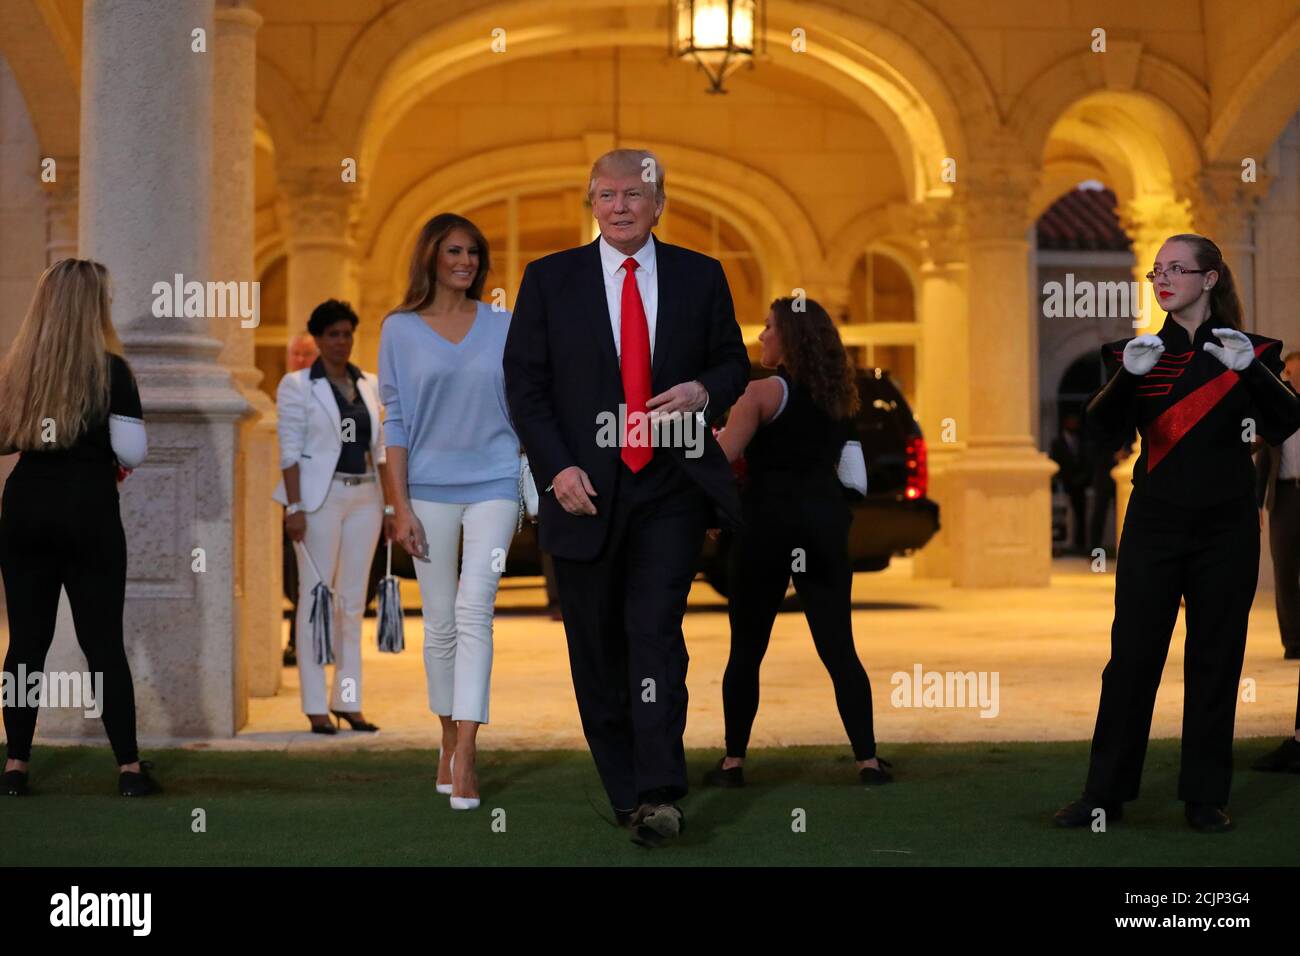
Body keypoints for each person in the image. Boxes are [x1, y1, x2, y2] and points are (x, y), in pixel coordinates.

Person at [503, 148, 750, 847]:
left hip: (669, 487)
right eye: (606, 194)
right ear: (591, 203)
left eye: (633, 194)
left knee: (655, 636)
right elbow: (526, 387)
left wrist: (706, 389)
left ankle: (661, 791)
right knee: (597, 648)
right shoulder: (550, 280)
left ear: (658, 203)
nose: (619, 206)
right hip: (582, 494)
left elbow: (734, 361)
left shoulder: (701, 277)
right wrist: (556, 470)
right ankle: (625, 789)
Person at [1055, 234, 1300, 833]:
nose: (1162, 279)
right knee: (1132, 659)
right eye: (1156, 271)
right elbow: (1099, 431)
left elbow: (1288, 420)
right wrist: (1124, 382)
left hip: (1227, 526)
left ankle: (1204, 796)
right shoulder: (1130, 353)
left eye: (1176, 269)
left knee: (1216, 659)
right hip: (1155, 524)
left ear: (1210, 279)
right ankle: (1104, 793)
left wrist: (1254, 373)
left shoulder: (1256, 351)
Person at [702, 297, 885, 790]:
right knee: (839, 646)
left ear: (790, 338)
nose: (760, 336)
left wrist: (710, 508)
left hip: (766, 526)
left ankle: (733, 762)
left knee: (746, 648)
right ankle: (867, 760)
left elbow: (719, 461)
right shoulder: (839, 397)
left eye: (768, 328)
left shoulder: (761, 392)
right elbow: (853, 475)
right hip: (822, 525)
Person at [0, 258, 157, 797]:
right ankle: (130, 771)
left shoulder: (18, 366)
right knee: (103, 642)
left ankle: (16, 765)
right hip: (88, 508)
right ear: (95, 307)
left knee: (25, 642)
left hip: (24, 507)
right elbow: (132, 450)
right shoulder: (111, 369)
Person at [379, 213, 520, 811]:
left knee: (474, 609)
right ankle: (444, 735)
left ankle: (467, 749)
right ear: (431, 256)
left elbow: (526, 401)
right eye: (454, 251)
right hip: (427, 491)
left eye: (473, 253)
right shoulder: (399, 330)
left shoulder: (504, 325)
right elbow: (396, 421)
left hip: (496, 482)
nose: (465, 261)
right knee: (437, 621)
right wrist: (399, 505)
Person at [273, 299, 389, 736]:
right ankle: (315, 705)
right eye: (333, 335)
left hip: (366, 499)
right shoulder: (298, 385)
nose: (342, 342)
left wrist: (393, 506)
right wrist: (295, 507)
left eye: (347, 334)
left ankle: (349, 700)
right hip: (319, 500)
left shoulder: (370, 384)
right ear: (319, 340)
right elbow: (289, 450)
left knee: (353, 603)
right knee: (314, 598)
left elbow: (380, 450)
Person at [1253, 350, 1300, 659]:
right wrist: (1255, 503)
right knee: (1284, 568)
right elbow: (1260, 459)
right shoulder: (1276, 410)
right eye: (1290, 374)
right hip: (1283, 496)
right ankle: (1293, 641)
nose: (1295, 380)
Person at [282, 332, 320, 668]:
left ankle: (317, 643)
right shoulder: (288, 389)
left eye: (306, 353)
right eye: (295, 353)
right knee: (295, 576)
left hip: (327, 494)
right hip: (294, 498)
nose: (299, 359)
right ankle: (298, 641)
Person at [1050, 413, 1091, 555]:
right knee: (1062, 517)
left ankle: (1081, 545)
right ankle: (1062, 545)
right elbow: (1055, 462)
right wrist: (1064, 479)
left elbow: (1086, 462)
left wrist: (1081, 479)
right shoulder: (1057, 443)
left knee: (1081, 516)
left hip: (1080, 485)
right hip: (1065, 486)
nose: (1074, 424)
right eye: (1071, 421)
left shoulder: (1081, 441)